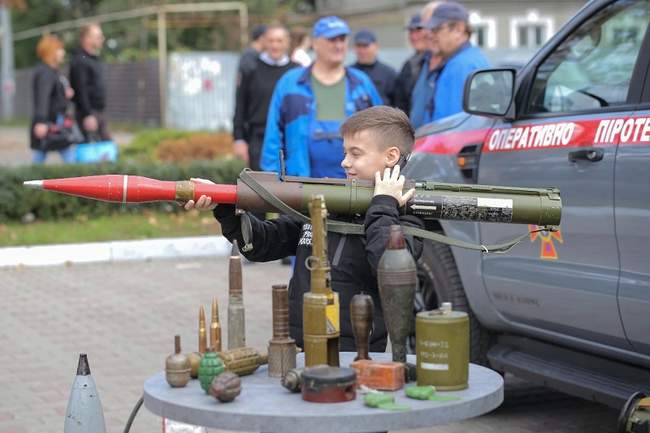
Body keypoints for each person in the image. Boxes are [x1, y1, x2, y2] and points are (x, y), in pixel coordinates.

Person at [185, 105, 424, 352]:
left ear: (391, 156)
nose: (344, 162)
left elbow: (387, 265)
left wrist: (383, 204)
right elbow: (262, 244)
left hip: (356, 352)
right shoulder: (328, 202)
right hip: (300, 342)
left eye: (356, 154)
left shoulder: (406, 214)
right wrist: (225, 207)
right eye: (345, 152)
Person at [260, 16, 382, 179]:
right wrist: (272, 182)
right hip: (301, 186)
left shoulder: (361, 84)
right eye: (331, 39)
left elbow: (381, 133)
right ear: (315, 43)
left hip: (355, 185)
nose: (338, 45)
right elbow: (273, 138)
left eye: (342, 39)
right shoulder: (290, 83)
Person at [232, 25, 298, 170]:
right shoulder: (251, 69)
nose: (275, 45)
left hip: (292, 140)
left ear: (287, 43)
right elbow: (240, 105)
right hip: (258, 140)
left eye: (279, 41)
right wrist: (239, 139)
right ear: (264, 42)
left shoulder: (297, 72)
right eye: (271, 41)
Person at [30, 35, 77, 164]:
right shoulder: (46, 72)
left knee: (43, 153)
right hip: (50, 121)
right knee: (62, 153)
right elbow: (43, 97)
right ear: (51, 51)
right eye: (60, 49)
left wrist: (64, 93)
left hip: (54, 120)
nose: (63, 52)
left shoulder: (53, 71)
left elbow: (53, 94)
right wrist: (41, 121)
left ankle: (27, 180)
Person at [69, 23, 110, 142]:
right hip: (88, 113)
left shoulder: (93, 59)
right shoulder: (80, 61)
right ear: (87, 39)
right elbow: (81, 89)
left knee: (106, 150)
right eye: (98, 36)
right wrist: (88, 115)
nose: (102, 39)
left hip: (98, 111)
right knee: (94, 151)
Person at [409, 1, 445, 129]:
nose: (427, 32)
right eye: (426, 26)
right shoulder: (423, 62)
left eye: (434, 27)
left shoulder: (458, 64)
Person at [351, 29, 397, 106]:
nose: (362, 50)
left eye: (365, 46)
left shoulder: (389, 73)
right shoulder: (348, 73)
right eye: (359, 46)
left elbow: (398, 105)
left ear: (376, 46)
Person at [393, 13, 428, 114]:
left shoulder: (442, 62)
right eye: (411, 31)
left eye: (418, 30)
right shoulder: (408, 66)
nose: (414, 36)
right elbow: (401, 103)